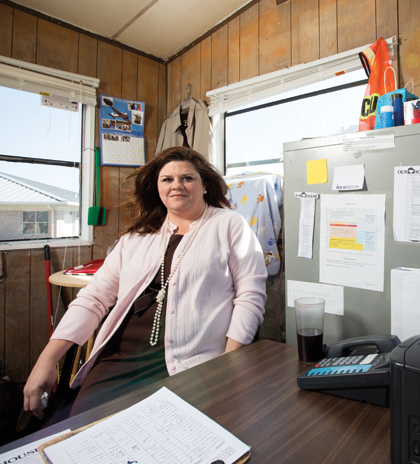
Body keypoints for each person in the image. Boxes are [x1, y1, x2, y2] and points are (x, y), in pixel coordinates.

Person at [23, 147, 267, 420]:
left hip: (193, 361)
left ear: (205, 186)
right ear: (158, 188)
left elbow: (250, 296)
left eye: (187, 178)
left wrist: (228, 363)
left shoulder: (230, 225)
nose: (177, 185)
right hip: (121, 357)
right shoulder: (137, 236)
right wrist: (47, 360)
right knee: (90, 427)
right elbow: (94, 298)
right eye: (167, 180)